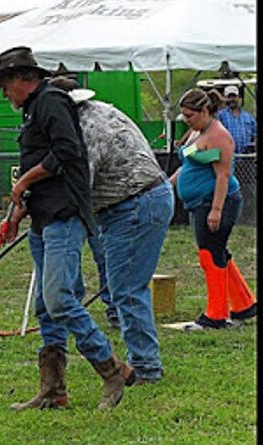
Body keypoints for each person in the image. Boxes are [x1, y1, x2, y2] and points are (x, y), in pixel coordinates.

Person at [0, 47, 133, 411]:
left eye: (5, 85)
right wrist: (17, 213)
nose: (4, 94)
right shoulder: (34, 109)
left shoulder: (51, 102)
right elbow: (42, 167)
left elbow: (68, 153)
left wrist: (25, 182)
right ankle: (53, 390)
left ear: (22, 79)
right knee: (45, 307)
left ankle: (112, 369)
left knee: (59, 298)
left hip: (64, 215)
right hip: (43, 216)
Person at [49, 76, 174, 385]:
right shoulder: (98, 111)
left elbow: (80, 182)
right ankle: (144, 359)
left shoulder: (89, 128)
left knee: (127, 288)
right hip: (137, 201)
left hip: (134, 203)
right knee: (126, 286)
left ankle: (145, 365)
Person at [169, 88, 257, 329]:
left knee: (210, 255)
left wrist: (216, 210)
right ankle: (244, 304)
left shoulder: (219, 136)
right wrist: (167, 185)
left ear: (205, 111)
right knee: (218, 252)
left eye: (190, 115)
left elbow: (223, 175)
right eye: (184, 115)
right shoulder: (196, 132)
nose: (186, 120)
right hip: (199, 202)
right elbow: (188, 164)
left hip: (219, 201)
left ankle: (216, 315)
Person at [217, 85, 257, 154]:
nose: (232, 99)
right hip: (228, 157)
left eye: (234, 96)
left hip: (246, 159)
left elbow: (255, 134)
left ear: (239, 97)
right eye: (229, 97)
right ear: (225, 98)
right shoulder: (220, 115)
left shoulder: (248, 117)